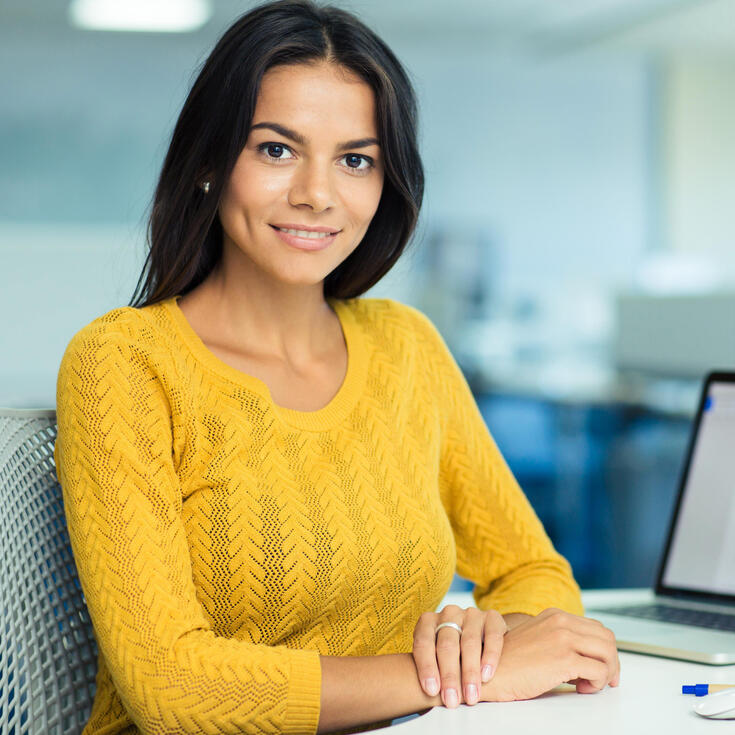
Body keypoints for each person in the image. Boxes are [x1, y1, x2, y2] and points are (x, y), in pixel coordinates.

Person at [54, 1, 620, 733]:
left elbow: (535, 574)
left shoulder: (405, 346)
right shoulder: (124, 363)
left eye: (356, 159)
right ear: (207, 162)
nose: (317, 194)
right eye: (276, 149)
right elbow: (173, 686)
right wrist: (450, 676)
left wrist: (485, 639)